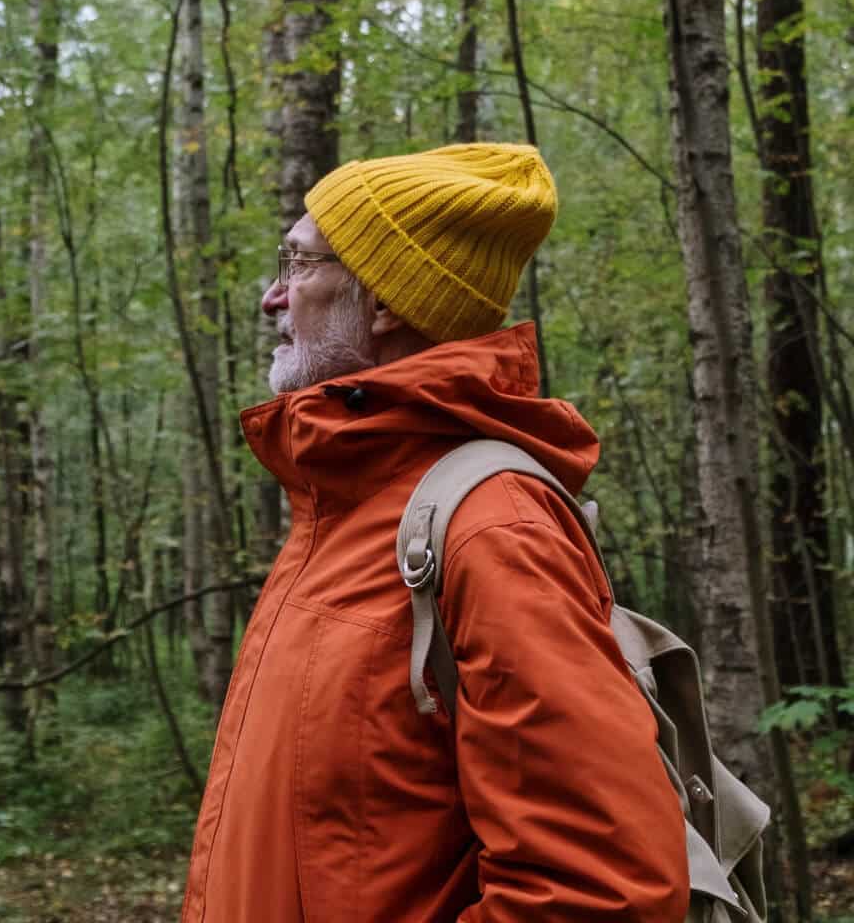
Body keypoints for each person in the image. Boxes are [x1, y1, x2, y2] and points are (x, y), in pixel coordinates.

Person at [180, 143, 690, 922]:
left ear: (384, 302)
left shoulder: (492, 529)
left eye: (299, 263)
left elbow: (596, 890)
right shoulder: (345, 503)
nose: (271, 297)